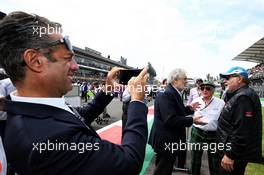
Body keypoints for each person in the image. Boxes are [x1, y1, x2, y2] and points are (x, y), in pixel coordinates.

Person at [0, 11, 149, 175]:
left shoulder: (35, 108)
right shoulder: (48, 138)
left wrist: (107, 89)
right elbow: (128, 162)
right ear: (35, 61)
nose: (75, 66)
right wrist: (137, 101)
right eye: (67, 58)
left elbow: (81, 116)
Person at [149, 68, 206, 175]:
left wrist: (189, 108)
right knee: (163, 169)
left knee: (164, 167)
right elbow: (170, 119)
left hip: (169, 139)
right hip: (167, 140)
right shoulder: (167, 94)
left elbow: (176, 111)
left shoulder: (174, 92)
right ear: (175, 80)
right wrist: (192, 120)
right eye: (184, 79)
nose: (186, 81)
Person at [216, 66, 262, 175]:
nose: (225, 81)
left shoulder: (243, 97)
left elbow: (242, 131)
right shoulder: (238, 95)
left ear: (239, 79)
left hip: (233, 156)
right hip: (231, 152)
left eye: (228, 78)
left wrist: (231, 155)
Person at [190, 81, 225, 175]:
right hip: (197, 132)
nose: (205, 90)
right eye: (202, 88)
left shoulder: (221, 103)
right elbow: (188, 114)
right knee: (195, 159)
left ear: (213, 90)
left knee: (214, 160)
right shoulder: (195, 101)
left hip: (213, 134)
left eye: (208, 88)